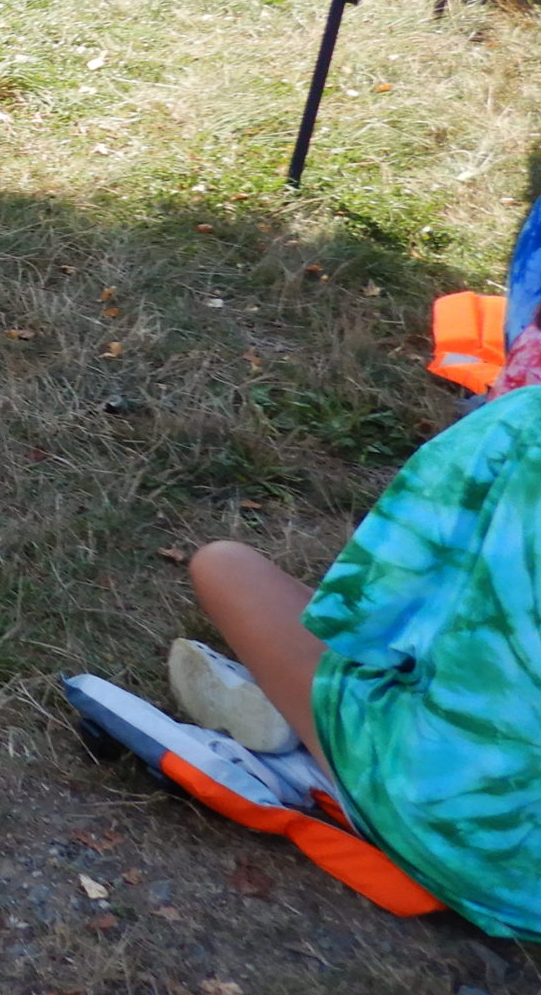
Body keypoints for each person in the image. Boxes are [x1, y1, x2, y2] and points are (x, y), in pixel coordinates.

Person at [177, 382, 541, 940]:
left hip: (464, 829)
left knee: (223, 565)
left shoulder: (524, 424)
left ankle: (315, 734)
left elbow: (366, 616)